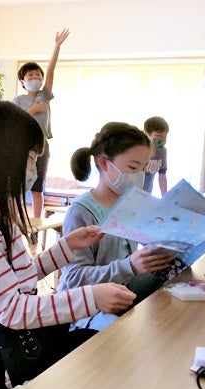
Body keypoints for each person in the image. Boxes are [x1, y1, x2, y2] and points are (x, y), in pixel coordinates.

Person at [0, 100, 136, 389]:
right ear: (2, 156)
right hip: (10, 352)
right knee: (100, 373)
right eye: (31, 159)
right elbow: (10, 310)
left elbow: (18, 279)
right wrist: (93, 297)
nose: (34, 170)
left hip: (28, 338)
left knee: (102, 350)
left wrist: (65, 248)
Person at [59, 121, 186, 331]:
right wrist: (129, 266)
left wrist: (190, 242)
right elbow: (73, 278)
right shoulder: (81, 211)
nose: (140, 176)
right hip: (87, 312)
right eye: (133, 167)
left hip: (123, 297)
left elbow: (154, 247)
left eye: (144, 169)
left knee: (177, 270)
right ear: (104, 164)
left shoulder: (134, 205)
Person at [12, 28, 69, 221]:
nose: (35, 78)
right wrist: (33, 110)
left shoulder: (44, 96)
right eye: (30, 76)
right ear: (22, 81)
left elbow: (51, 70)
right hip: (21, 146)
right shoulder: (18, 100)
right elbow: (13, 121)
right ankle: (15, 221)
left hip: (42, 146)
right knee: (18, 187)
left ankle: (36, 223)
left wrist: (57, 46)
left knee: (37, 189)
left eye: (38, 75)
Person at [142, 116, 169, 195]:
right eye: (158, 136)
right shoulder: (137, 150)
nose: (161, 140)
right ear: (146, 133)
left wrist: (165, 197)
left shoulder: (162, 151)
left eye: (164, 137)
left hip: (146, 195)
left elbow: (162, 176)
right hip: (130, 196)